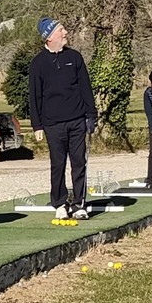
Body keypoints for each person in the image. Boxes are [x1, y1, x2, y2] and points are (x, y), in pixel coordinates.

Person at [27, 17, 97, 221]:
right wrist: (36, 124)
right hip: (52, 123)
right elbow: (34, 96)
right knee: (58, 163)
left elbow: (85, 87)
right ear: (49, 37)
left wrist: (91, 115)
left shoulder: (74, 57)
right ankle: (59, 202)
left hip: (77, 120)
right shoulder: (38, 63)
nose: (65, 33)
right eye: (61, 30)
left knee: (79, 162)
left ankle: (79, 204)